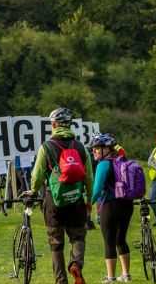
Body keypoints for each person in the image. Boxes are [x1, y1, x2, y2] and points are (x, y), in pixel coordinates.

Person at [26, 107, 93, 284]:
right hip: (76, 199)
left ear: (54, 125)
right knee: (78, 237)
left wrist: (33, 190)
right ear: (70, 125)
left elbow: (38, 175)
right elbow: (89, 177)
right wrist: (89, 199)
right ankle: (76, 263)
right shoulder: (81, 147)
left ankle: (60, 280)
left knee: (56, 244)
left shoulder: (46, 147)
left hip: (53, 201)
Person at [91, 133, 134, 283]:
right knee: (121, 239)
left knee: (109, 241)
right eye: (93, 149)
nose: (94, 151)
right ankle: (126, 274)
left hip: (109, 206)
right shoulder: (122, 161)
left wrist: (87, 204)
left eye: (97, 148)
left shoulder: (103, 164)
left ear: (107, 149)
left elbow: (96, 190)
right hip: (127, 205)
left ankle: (110, 277)